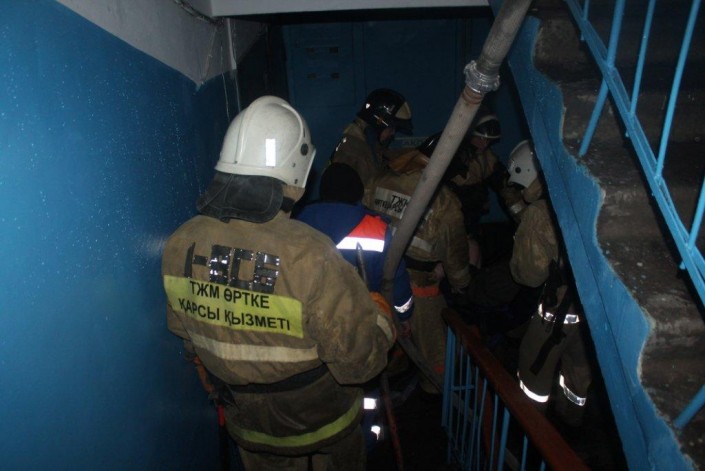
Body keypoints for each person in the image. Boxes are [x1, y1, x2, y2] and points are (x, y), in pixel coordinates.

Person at [162, 96, 396, 470]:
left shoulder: (180, 242)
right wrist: (381, 319)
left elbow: (189, 338)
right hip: (325, 425)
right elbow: (360, 365)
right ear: (298, 175)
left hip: (249, 427)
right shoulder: (311, 253)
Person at [363, 141, 471, 394]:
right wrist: (463, 285)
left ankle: (383, 389)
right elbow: (455, 256)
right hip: (420, 289)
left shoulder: (380, 179)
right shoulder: (445, 203)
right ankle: (435, 393)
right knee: (435, 355)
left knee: (384, 341)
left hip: (373, 279)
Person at [508, 140, 592, 427]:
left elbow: (529, 275)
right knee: (578, 376)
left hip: (555, 315)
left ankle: (532, 434)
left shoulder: (539, 212)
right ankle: (572, 426)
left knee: (532, 377)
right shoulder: (582, 196)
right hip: (590, 314)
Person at [297, 162, 414, 334]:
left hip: (307, 319)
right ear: (359, 192)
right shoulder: (377, 229)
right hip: (358, 323)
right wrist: (403, 315)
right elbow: (396, 278)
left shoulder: (299, 221)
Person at [442, 108, 524, 234]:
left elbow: (507, 189)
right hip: (446, 225)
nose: (484, 144)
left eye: (488, 140)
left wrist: (524, 219)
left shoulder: (487, 159)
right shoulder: (449, 156)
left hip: (470, 224)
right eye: (480, 138)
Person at [331, 88, 413, 187]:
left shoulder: (369, 144)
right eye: (391, 128)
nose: (393, 133)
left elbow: (387, 155)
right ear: (378, 123)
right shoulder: (351, 153)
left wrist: (417, 153)